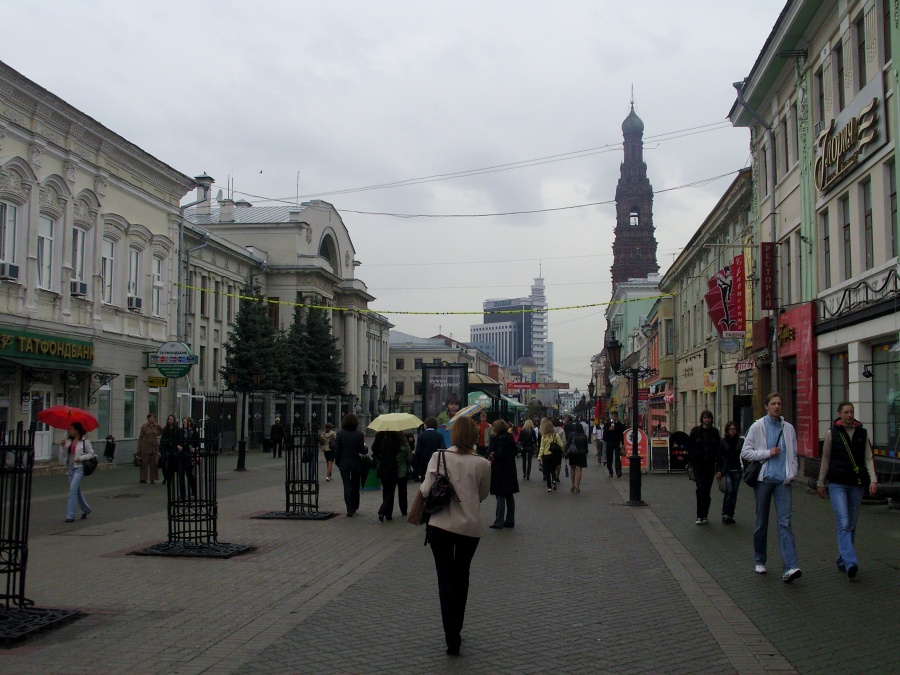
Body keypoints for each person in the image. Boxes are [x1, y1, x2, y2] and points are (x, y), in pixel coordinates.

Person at [420, 415, 490, 656]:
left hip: (440, 526)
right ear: (473, 436)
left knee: (445, 578)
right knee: (462, 576)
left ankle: (451, 636)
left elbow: (426, 490)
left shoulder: (439, 457)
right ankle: (457, 628)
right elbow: (484, 493)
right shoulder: (482, 463)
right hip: (469, 528)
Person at [741, 392, 802, 582]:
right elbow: (746, 452)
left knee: (785, 523)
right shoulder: (758, 426)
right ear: (766, 406)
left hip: (783, 481)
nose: (777, 407)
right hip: (764, 480)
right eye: (773, 404)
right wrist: (768, 453)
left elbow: (793, 452)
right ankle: (760, 559)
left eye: (779, 404)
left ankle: (790, 567)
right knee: (762, 521)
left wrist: (792, 472)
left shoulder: (789, 428)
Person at [816, 402, 878, 579]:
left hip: (856, 484)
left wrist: (873, 480)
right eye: (846, 412)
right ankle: (851, 562)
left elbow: (868, 458)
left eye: (852, 412)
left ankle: (842, 559)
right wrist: (821, 482)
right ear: (839, 414)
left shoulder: (862, 433)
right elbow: (826, 459)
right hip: (837, 484)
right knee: (843, 522)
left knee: (851, 524)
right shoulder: (831, 434)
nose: (850, 415)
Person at [58, 421, 96, 522]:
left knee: (72, 490)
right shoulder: (68, 442)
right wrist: (62, 446)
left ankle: (70, 515)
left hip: (79, 468)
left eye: (71, 429)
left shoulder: (85, 442)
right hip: (70, 468)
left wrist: (81, 458)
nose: (69, 431)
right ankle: (85, 509)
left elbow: (92, 454)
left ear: (77, 430)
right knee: (76, 490)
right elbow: (64, 455)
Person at [688, 410, 721, 525]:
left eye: (709, 418)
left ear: (711, 419)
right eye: (705, 417)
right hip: (698, 465)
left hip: (710, 465)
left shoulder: (714, 432)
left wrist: (719, 467)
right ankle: (699, 515)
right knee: (700, 488)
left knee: (706, 491)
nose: (707, 420)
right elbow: (690, 446)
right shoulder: (696, 431)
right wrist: (691, 461)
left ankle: (705, 515)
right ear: (701, 419)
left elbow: (718, 450)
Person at [372, 430, 411, 521]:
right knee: (391, 491)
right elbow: (397, 449)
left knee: (385, 490)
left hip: (382, 465)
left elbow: (374, 448)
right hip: (392, 466)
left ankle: (387, 513)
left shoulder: (379, 435)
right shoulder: (395, 436)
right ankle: (384, 511)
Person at [334, 413, 367, 517]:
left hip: (344, 463)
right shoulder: (359, 434)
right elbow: (363, 450)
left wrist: (337, 461)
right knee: (355, 485)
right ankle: (355, 505)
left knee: (346, 486)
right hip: (356, 463)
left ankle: (349, 509)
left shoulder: (340, 434)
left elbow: (337, 449)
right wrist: (365, 448)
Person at [488, 420, 519, 529]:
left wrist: (493, 454)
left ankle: (499, 521)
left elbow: (499, 454)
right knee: (509, 496)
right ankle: (510, 520)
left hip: (500, 472)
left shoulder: (500, 440)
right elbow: (515, 451)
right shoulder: (509, 438)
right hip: (510, 470)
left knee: (500, 496)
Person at [718, 421, 743, 524]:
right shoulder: (723, 441)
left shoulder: (740, 441)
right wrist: (719, 470)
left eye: (734, 429)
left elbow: (745, 454)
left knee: (734, 493)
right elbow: (719, 457)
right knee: (729, 491)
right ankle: (725, 514)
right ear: (727, 430)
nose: (732, 431)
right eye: (730, 429)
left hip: (737, 469)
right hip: (727, 470)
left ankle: (731, 514)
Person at [175, 416, 199, 500]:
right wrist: (178, 446)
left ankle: (194, 488)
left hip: (190, 455)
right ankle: (182, 494)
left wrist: (195, 448)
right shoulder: (180, 431)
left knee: (189, 473)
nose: (184, 424)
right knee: (181, 475)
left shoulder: (194, 432)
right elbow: (177, 441)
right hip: (182, 454)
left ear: (190, 423)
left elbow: (197, 443)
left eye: (186, 422)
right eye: (184, 422)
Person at [537, 418, 563, 492]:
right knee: (552, 469)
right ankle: (554, 479)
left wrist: (539, 456)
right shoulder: (555, 435)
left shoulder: (543, 437)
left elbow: (541, 447)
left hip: (545, 456)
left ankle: (549, 487)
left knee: (547, 471)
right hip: (553, 455)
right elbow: (561, 444)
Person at [137, 413, 163, 484]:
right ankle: (143, 478)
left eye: (153, 417)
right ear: (148, 418)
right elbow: (140, 437)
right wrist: (139, 448)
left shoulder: (157, 426)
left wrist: (159, 433)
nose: (152, 419)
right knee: (144, 463)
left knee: (154, 463)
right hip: (145, 446)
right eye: (150, 417)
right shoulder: (144, 426)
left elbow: (163, 431)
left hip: (154, 447)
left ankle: (153, 478)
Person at [566, 422, 589, 493]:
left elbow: (568, 444)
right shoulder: (584, 436)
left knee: (572, 468)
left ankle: (573, 484)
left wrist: (565, 453)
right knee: (579, 470)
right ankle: (577, 486)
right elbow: (586, 447)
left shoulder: (571, 435)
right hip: (581, 453)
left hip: (573, 453)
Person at [159, 415, 179, 486]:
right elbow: (162, 438)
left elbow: (177, 438)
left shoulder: (176, 428)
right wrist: (160, 449)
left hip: (173, 447)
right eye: (169, 419)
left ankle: (170, 477)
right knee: (163, 462)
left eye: (171, 419)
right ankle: (165, 477)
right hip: (165, 446)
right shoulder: (165, 428)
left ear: (174, 420)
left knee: (171, 463)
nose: (170, 420)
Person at [604, 412, 625, 478]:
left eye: (616, 416)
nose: (614, 418)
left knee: (617, 457)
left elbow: (622, 434)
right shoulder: (608, 423)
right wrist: (609, 429)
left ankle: (618, 471)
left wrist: (623, 443)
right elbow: (605, 433)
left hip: (616, 442)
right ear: (611, 416)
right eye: (613, 416)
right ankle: (610, 471)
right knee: (609, 457)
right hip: (609, 442)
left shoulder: (619, 424)